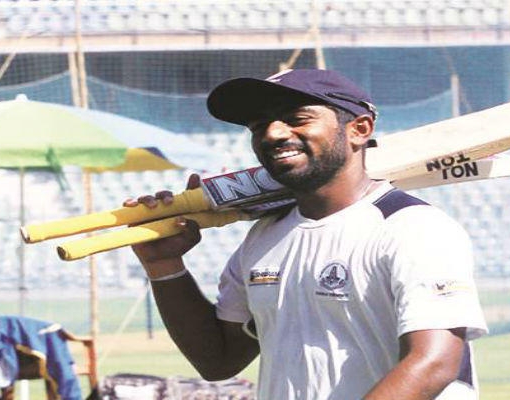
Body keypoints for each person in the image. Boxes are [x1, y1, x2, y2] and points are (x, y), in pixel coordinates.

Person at [125, 69, 488, 400]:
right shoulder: (264, 238)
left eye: (297, 119)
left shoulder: (413, 227)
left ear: (359, 129)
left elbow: (434, 363)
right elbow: (218, 361)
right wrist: (165, 266)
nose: (273, 134)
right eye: (259, 126)